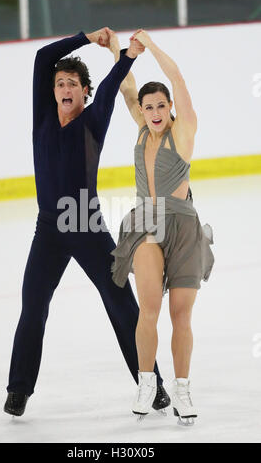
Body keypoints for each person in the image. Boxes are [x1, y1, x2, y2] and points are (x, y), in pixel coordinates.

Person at [4, 28, 171, 417]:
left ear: (84, 93)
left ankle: (153, 384)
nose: (64, 88)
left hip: (86, 223)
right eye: (60, 83)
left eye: (72, 84)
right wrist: (84, 37)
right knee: (33, 307)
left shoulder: (94, 121)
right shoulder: (43, 116)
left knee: (120, 301)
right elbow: (42, 57)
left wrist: (127, 55)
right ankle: (18, 390)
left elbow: (112, 85)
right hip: (48, 229)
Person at [109, 30, 214, 425]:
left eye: (159, 105)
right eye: (148, 106)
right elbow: (127, 86)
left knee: (181, 315)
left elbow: (180, 78)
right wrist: (120, 53)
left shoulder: (182, 132)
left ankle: (183, 391)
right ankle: (147, 382)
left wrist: (151, 46)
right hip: (147, 224)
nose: (153, 112)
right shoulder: (140, 127)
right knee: (148, 308)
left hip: (183, 227)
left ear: (170, 107)